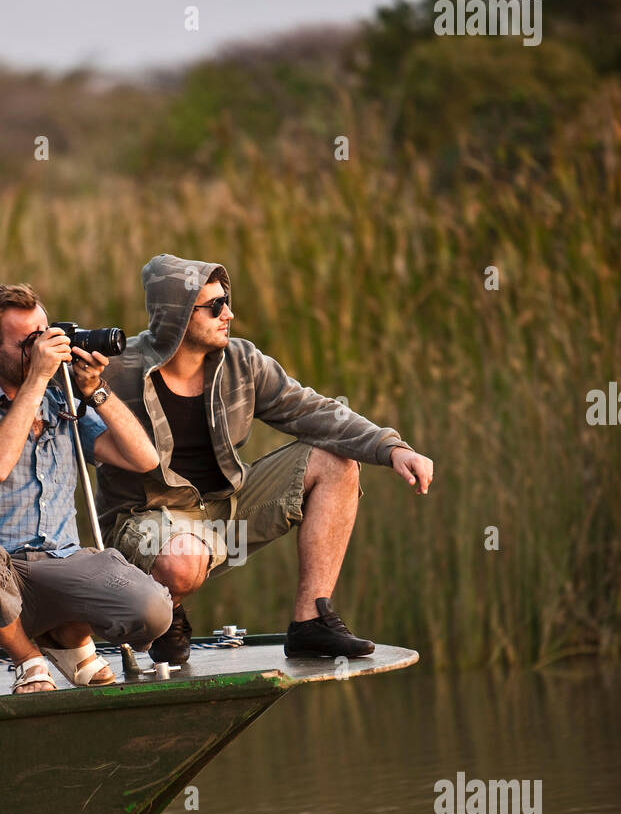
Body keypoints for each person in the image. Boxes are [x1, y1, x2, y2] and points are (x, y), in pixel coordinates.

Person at [96, 254, 434, 664]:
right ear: (177, 316)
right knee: (182, 558)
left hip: (225, 508)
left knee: (335, 461)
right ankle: (168, 614)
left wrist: (391, 447)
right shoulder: (113, 369)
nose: (229, 314)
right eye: (215, 306)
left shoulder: (242, 362)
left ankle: (311, 624)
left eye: (227, 301)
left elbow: (315, 413)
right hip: (146, 519)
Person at [0, 283, 173, 693]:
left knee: (153, 611)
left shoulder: (59, 397)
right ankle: (30, 660)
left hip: (60, 562)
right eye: (29, 342)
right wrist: (38, 378)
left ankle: (66, 637)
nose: (43, 349)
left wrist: (96, 391)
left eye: (45, 335)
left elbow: (144, 460)